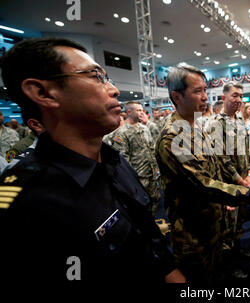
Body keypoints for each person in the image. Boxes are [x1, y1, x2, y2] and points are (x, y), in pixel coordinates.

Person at [0, 37, 184, 282]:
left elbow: (147, 232)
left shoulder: (115, 162)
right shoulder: (23, 200)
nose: (114, 89)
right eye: (96, 76)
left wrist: (170, 271)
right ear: (44, 93)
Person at [155, 62, 250, 283]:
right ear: (177, 96)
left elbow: (215, 168)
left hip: (212, 221)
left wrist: (227, 197)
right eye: (197, 91)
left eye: (205, 90)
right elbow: (204, 185)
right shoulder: (174, 137)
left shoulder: (197, 126)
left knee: (216, 272)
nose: (204, 97)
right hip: (193, 234)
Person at [207, 82, 250, 279]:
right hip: (229, 186)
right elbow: (221, 159)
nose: (239, 100)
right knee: (227, 228)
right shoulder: (216, 124)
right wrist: (239, 179)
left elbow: (249, 149)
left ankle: (238, 251)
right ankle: (229, 266)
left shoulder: (239, 121)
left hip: (244, 181)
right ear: (223, 98)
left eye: (241, 96)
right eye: (235, 95)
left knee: (239, 223)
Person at [110, 101, 162, 215]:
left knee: (156, 200)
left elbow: (152, 149)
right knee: (141, 206)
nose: (141, 112)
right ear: (129, 112)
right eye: (138, 110)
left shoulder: (145, 129)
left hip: (152, 174)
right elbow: (123, 160)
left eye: (142, 110)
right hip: (139, 176)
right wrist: (131, 180)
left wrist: (156, 169)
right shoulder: (121, 133)